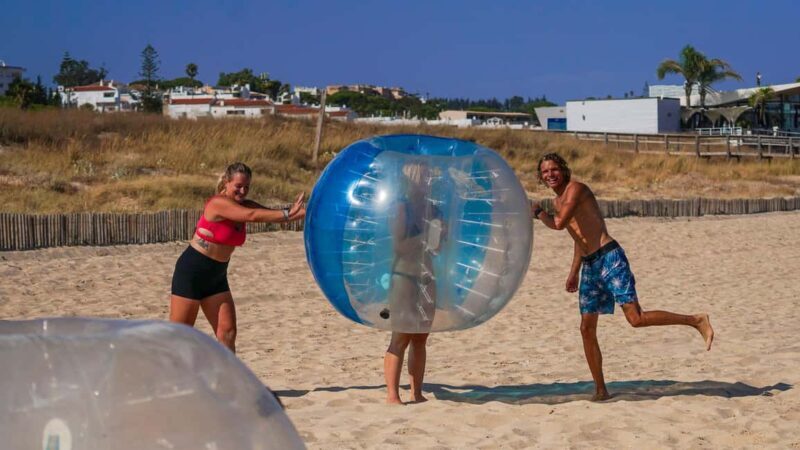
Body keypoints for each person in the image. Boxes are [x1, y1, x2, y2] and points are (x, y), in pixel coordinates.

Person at [530, 153, 714, 401]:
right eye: (544, 172)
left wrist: (538, 213)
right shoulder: (558, 201)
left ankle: (695, 320)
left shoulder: (576, 190)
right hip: (590, 266)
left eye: (554, 169)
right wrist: (574, 272)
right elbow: (577, 235)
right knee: (586, 328)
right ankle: (600, 389)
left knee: (636, 319)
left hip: (609, 257)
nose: (550, 175)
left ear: (563, 170)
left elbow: (560, 224)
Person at [169, 162, 305, 353]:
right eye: (238, 186)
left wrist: (317, 209)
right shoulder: (218, 203)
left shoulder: (245, 204)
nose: (243, 191)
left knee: (227, 332)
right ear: (226, 182)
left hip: (216, 275)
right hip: (193, 271)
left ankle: (228, 381)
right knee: (180, 336)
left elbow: (276, 215)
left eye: (247, 187)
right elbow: (252, 215)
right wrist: (287, 213)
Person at [383, 162, 443, 404]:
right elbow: (399, 246)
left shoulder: (434, 209)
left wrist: (441, 234)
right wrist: (425, 236)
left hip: (427, 276)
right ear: (412, 178)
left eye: (430, 175)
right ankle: (392, 395)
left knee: (420, 337)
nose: (429, 179)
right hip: (404, 276)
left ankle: (416, 392)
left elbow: (437, 250)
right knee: (401, 336)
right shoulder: (401, 207)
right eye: (425, 175)